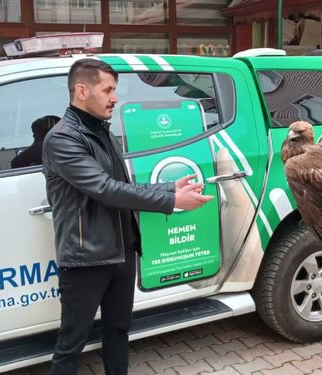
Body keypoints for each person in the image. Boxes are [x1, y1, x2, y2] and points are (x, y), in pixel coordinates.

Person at [42, 58, 213, 375]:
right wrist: (173, 200)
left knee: (118, 332)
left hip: (122, 252)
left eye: (114, 89)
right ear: (81, 90)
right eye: (107, 89)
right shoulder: (62, 138)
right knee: (71, 346)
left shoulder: (102, 131)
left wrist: (167, 187)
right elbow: (105, 190)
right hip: (86, 260)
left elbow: (123, 186)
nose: (115, 97)